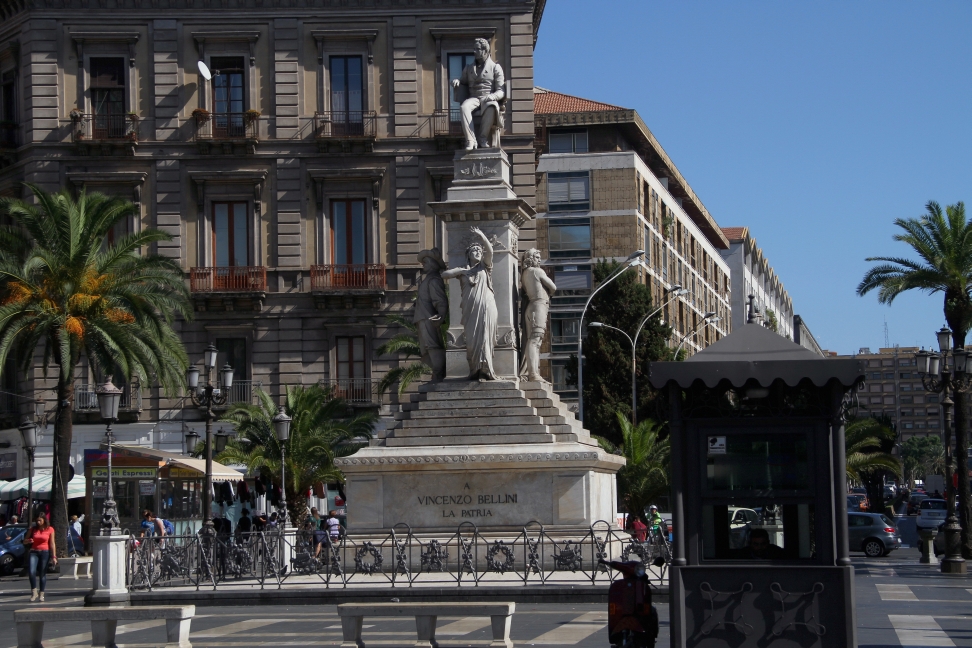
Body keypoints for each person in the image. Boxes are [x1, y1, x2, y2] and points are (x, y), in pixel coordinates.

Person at [441, 227, 497, 380]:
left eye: (480, 250)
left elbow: (490, 252)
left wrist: (482, 237)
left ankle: (486, 370)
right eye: (475, 250)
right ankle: (474, 370)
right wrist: (460, 270)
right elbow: (444, 274)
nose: (478, 252)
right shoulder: (463, 271)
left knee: (485, 337)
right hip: (470, 309)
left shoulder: (485, 267)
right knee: (472, 340)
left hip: (486, 306)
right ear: (468, 255)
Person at [451, 37, 505, 150]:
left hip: (488, 98)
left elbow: (501, 91)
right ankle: (471, 140)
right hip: (474, 98)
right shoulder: (469, 68)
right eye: (474, 49)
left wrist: (492, 96)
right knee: (464, 107)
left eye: (477, 49)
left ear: (485, 51)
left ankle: (482, 137)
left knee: (492, 106)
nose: (474, 51)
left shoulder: (495, 68)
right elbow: (463, 82)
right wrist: (457, 81)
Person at [518, 248, 557, 382]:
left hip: (532, 307)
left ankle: (533, 372)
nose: (539, 259)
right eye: (536, 257)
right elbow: (553, 287)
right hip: (539, 305)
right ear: (530, 258)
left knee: (535, 340)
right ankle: (533, 373)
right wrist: (550, 292)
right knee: (535, 340)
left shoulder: (524, 274)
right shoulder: (537, 271)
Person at [414, 249, 448, 381]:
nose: (423, 264)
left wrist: (441, 314)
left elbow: (440, 299)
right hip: (423, 317)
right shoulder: (428, 279)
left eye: (425, 262)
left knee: (433, 345)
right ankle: (437, 372)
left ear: (433, 264)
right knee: (427, 347)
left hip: (428, 317)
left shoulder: (433, 280)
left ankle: (439, 373)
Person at [23, 514, 57, 602]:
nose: (38, 522)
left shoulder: (50, 529)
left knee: (42, 573)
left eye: (40, 521)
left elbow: (52, 544)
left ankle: (42, 593)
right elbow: (24, 541)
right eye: (37, 521)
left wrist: (54, 556)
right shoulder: (33, 529)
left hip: (45, 552)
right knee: (31, 572)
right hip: (34, 551)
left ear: (44, 520)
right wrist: (29, 540)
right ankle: (34, 592)